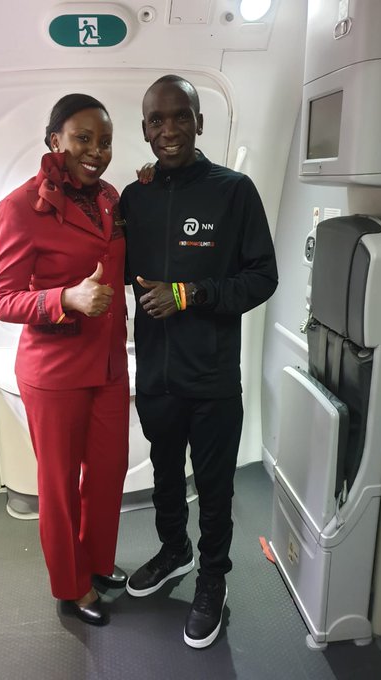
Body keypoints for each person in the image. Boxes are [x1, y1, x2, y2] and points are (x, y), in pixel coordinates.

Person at [120, 75, 278, 648]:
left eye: (181, 116)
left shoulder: (234, 191)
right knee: (165, 475)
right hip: (156, 374)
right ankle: (174, 550)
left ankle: (213, 577)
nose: (169, 130)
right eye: (157, 120)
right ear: (144, 130)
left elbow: (262, 277)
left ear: (199, 122)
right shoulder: (135, 197)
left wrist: (190, 294)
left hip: (211, 377)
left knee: (213, 489)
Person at [0, 93, 129, 627]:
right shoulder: (20, 208)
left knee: (108, 473)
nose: (96, 151)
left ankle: (95, 563)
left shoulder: (112, 198)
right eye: (83, 138)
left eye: (105, 141)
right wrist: (64, 298)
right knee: (60, 484)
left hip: (109, 363)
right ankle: (71, 587)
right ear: (55, 140)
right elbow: (3, 300)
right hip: (55, 371)